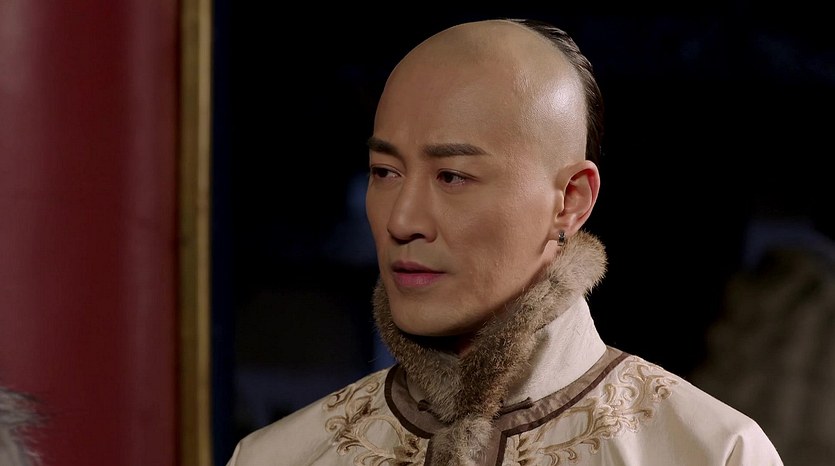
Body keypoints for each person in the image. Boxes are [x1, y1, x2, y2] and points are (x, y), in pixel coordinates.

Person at [226, 18, 784, 465]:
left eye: (452, 176)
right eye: (385, 172)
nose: (402, 220)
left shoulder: (709, 451)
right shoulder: (280, 456)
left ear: (570, 200)